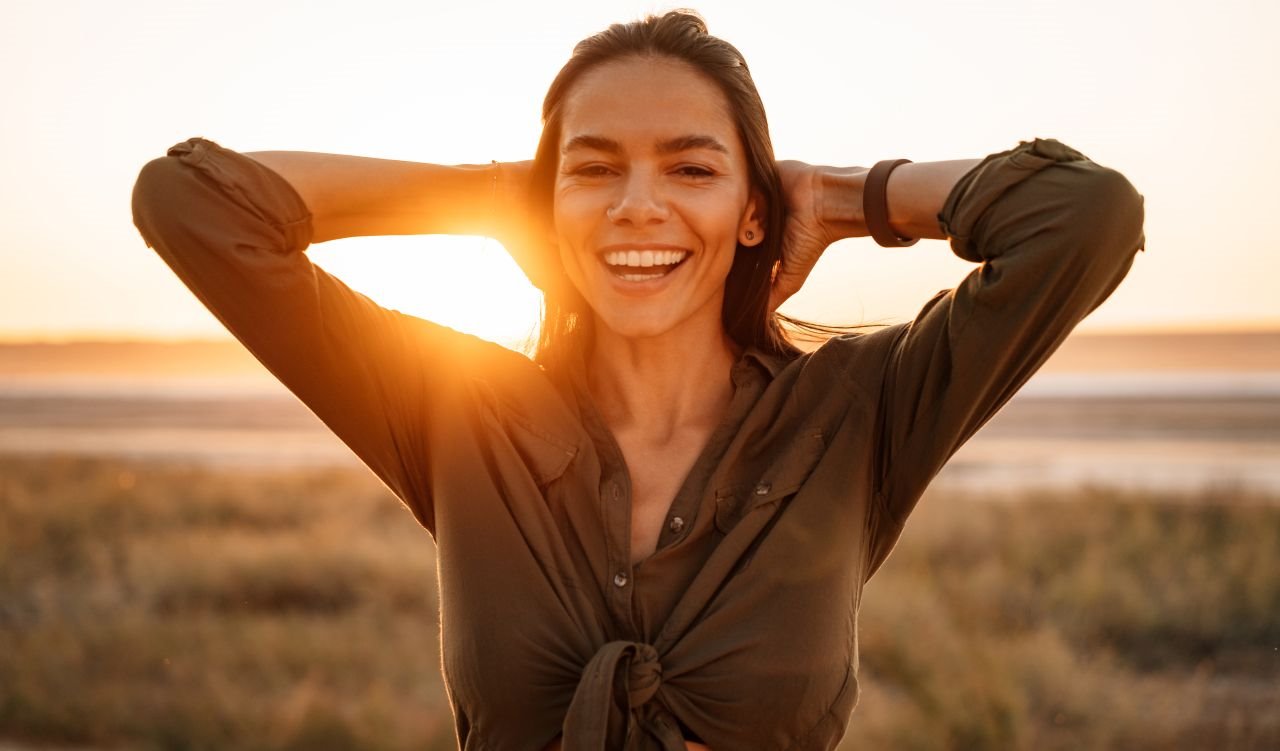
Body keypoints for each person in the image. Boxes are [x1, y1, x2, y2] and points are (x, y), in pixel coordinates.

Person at [131, 10, 1144, 751]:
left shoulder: (858, 414)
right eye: (596, 169)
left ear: (754, 211)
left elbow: (1081, 218)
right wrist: (503, 193)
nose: (637, 206)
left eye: (691, 169)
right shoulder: (453, 410)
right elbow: (193, 203)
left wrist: (844, 194)